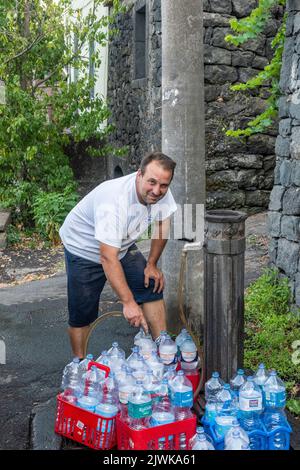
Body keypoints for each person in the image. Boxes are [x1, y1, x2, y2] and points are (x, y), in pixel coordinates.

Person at [59, 151, 177, 359]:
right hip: (83, 247)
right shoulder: (114, 200)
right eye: (151, 182)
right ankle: (80, 366)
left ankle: (164, 352)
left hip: (120, 244)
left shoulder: (162, 193)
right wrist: (128, 302)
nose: (157, 190)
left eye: (163, 185)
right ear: (139, 174)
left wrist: (151, 264)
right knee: (82, 312)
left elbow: (162, 224)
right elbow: (107, 257)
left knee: (150, 284)